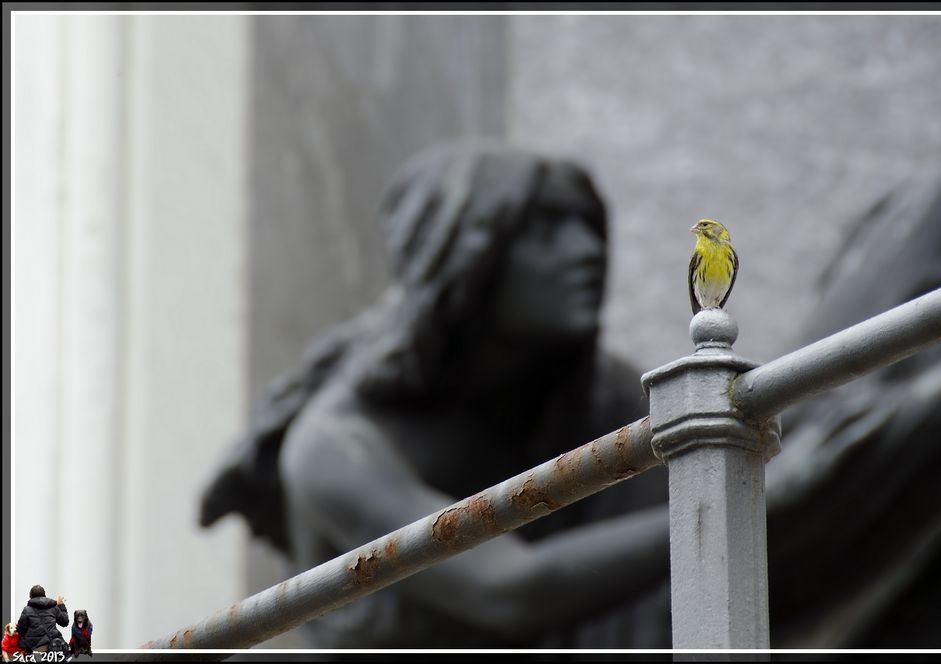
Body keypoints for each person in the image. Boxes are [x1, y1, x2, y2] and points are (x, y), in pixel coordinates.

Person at [201, 142, 674, 648]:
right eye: (544, 229)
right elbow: (508, 590)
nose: (587, 250)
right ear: (465, 257)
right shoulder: (337, 446)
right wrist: (734, 505)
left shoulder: (595, 394)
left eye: (588, 226)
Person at [15, 586, 69, 656]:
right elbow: (64, 622)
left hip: (34, 647)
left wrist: (18, 626)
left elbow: (21, 630)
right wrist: (61, 605)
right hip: (53, 644)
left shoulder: (27, 610)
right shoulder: (53, 607)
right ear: (44, 595)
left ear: (30, 596)